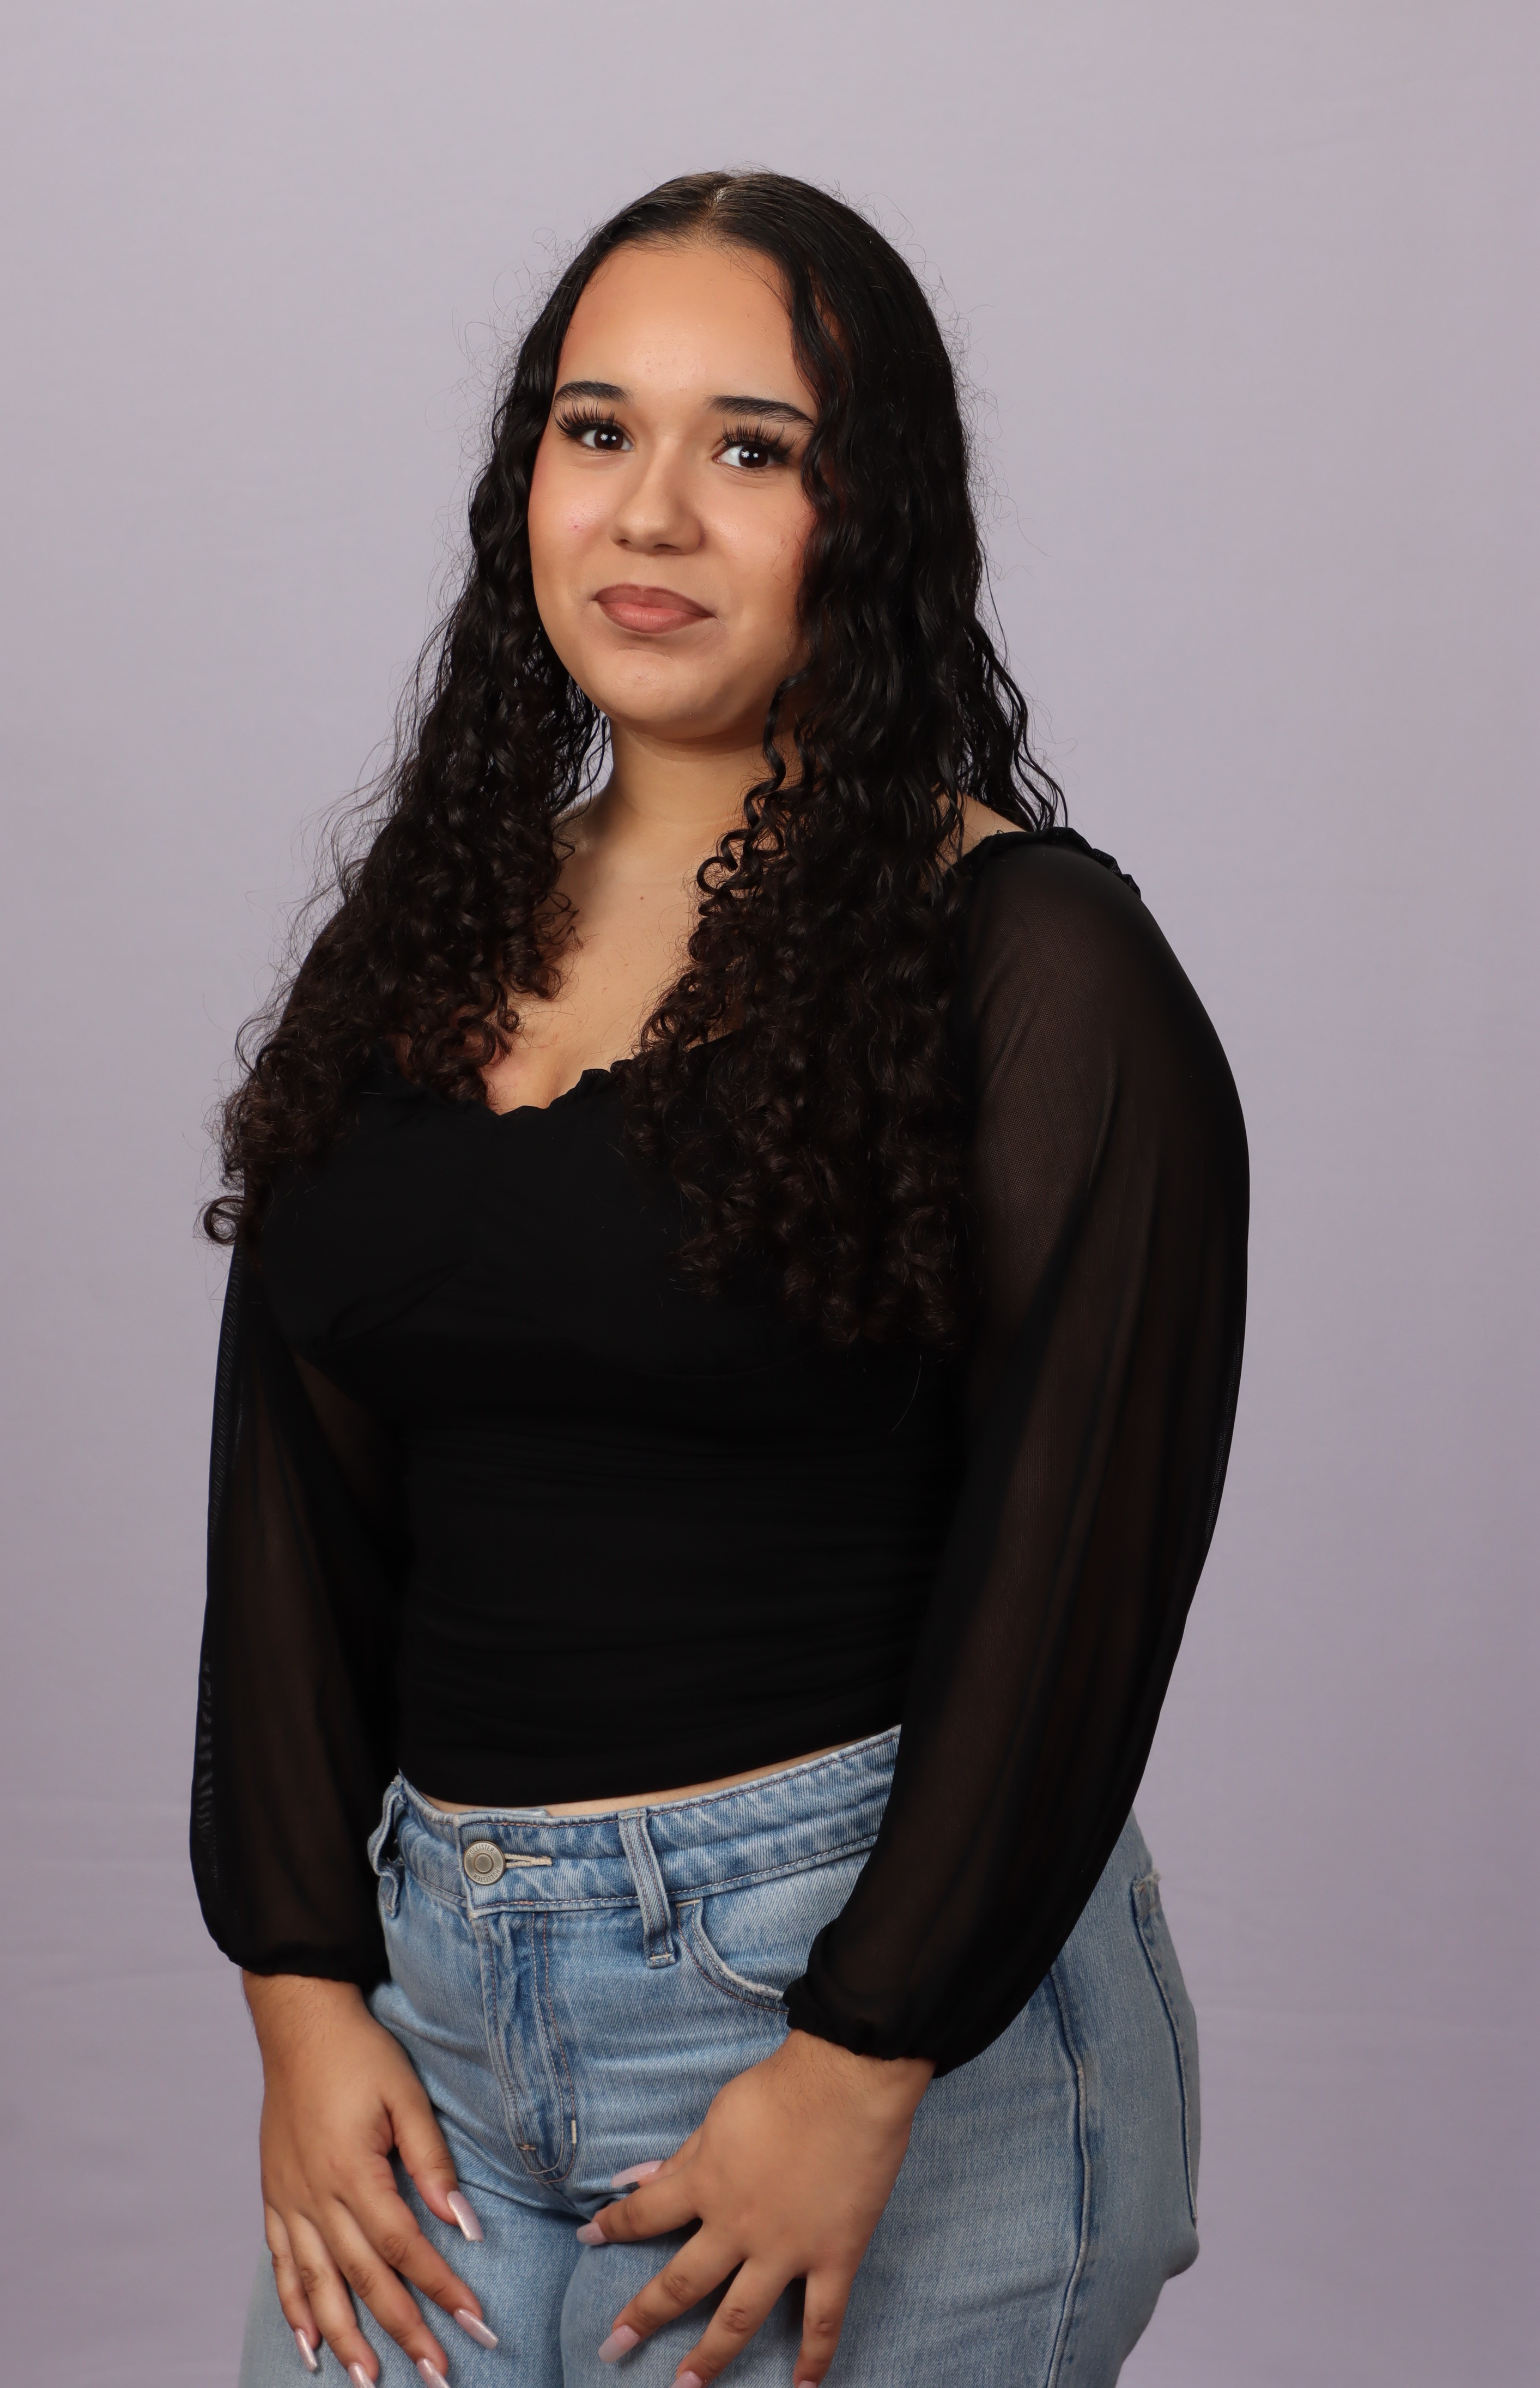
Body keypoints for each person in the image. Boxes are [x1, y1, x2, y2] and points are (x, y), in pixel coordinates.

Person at [192, 170, 1248, 2388]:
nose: (651, 512)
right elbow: (292, 1471)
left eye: (751, 448)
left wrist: (862, 2058)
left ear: (876, 516)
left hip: (869, 2021)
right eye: (598, 431)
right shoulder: (424, 931)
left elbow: (1077, 1565)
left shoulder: (1030, 965)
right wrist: (298, 1983)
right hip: (436, 2023)